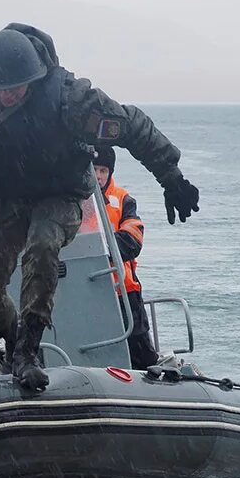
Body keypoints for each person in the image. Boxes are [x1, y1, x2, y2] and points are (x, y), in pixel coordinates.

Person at [0, 23, 198, 391]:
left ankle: (30, 350)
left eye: (16, 88)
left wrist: (172, 179)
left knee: (43, 243)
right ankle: (15, 339)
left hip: (62, 191)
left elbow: (132, 126)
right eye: (0, 89)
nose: (7, 96)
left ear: (33, 79)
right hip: (11, 194)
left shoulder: (70, 99)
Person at [92, 145, 159, 369]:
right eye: (94, 169)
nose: (99, 176)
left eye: (103, 170)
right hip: (88, 291)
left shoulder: (123, 200)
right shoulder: (70, 200)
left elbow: (134, 238)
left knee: (142, 354)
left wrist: (100, 249)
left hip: (124, 290)